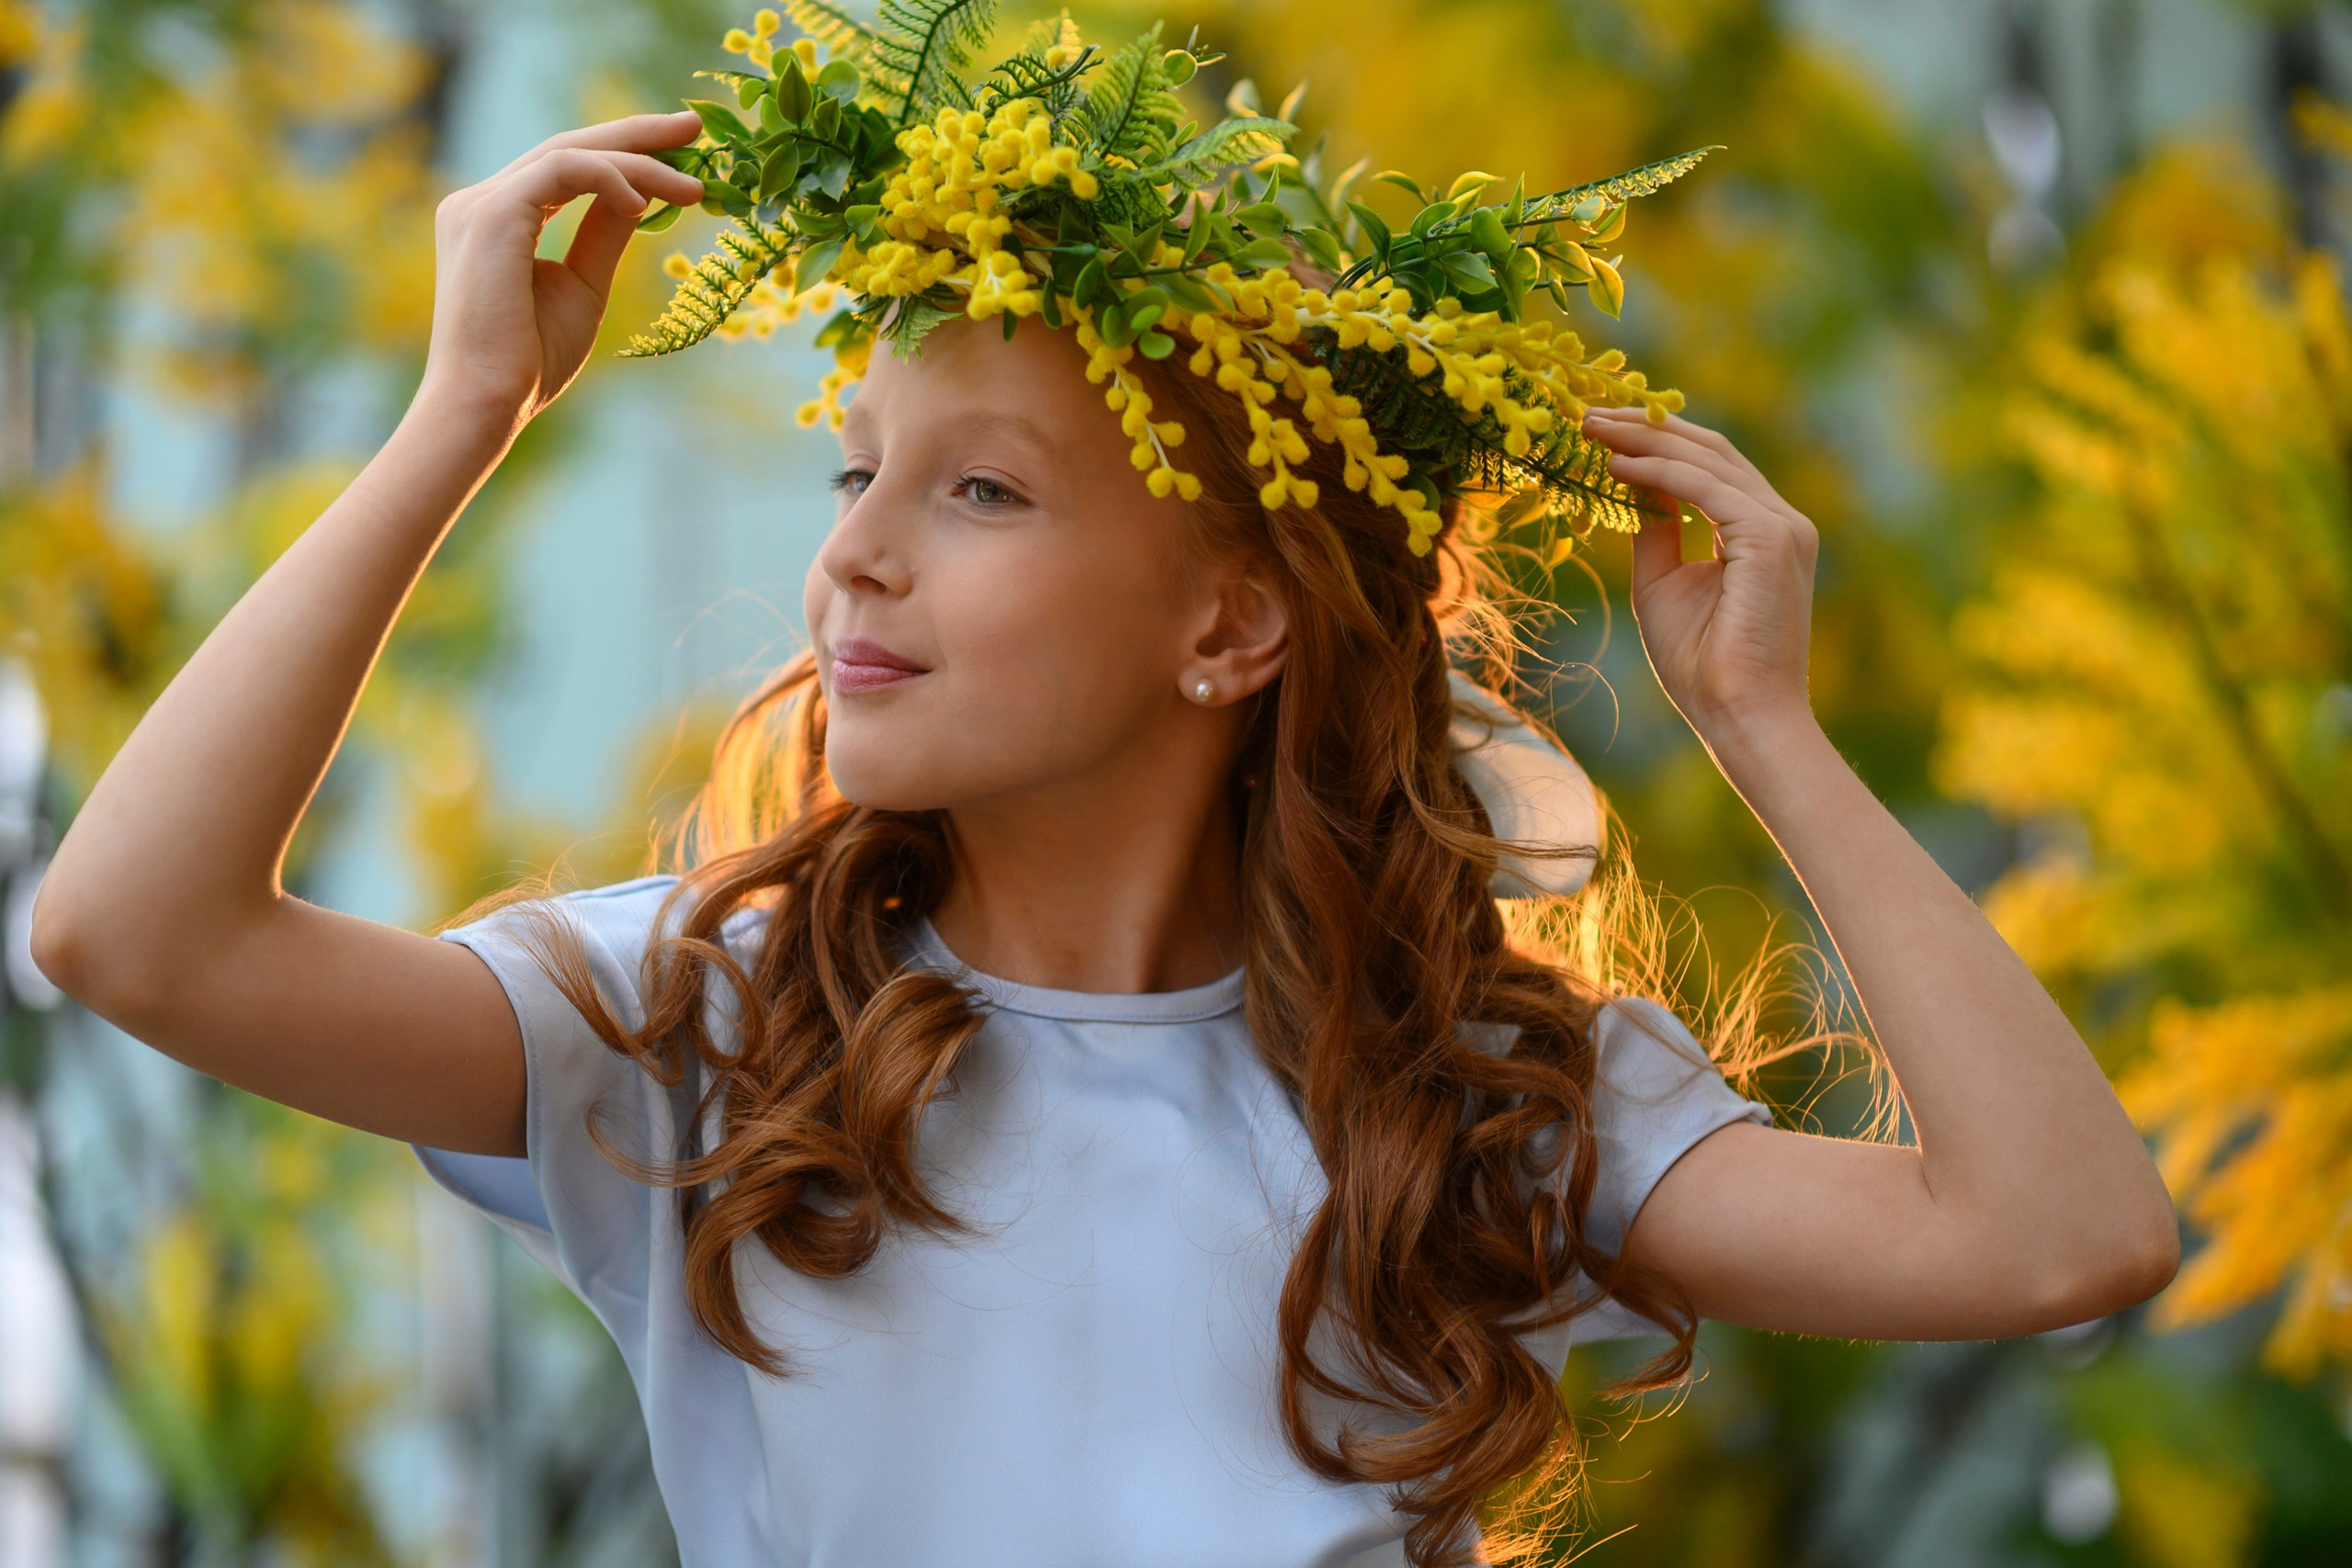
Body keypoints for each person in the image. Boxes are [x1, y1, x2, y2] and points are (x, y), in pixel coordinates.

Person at [32, 17, 2179, 1564]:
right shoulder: (708, 1027)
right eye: (852, 465)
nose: (857, 548)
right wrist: (459, 414)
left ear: (1228, 629)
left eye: (979, 489)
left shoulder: (1464, 1092)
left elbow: (2060, 1231)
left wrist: (1764, 731)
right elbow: (131, 933)